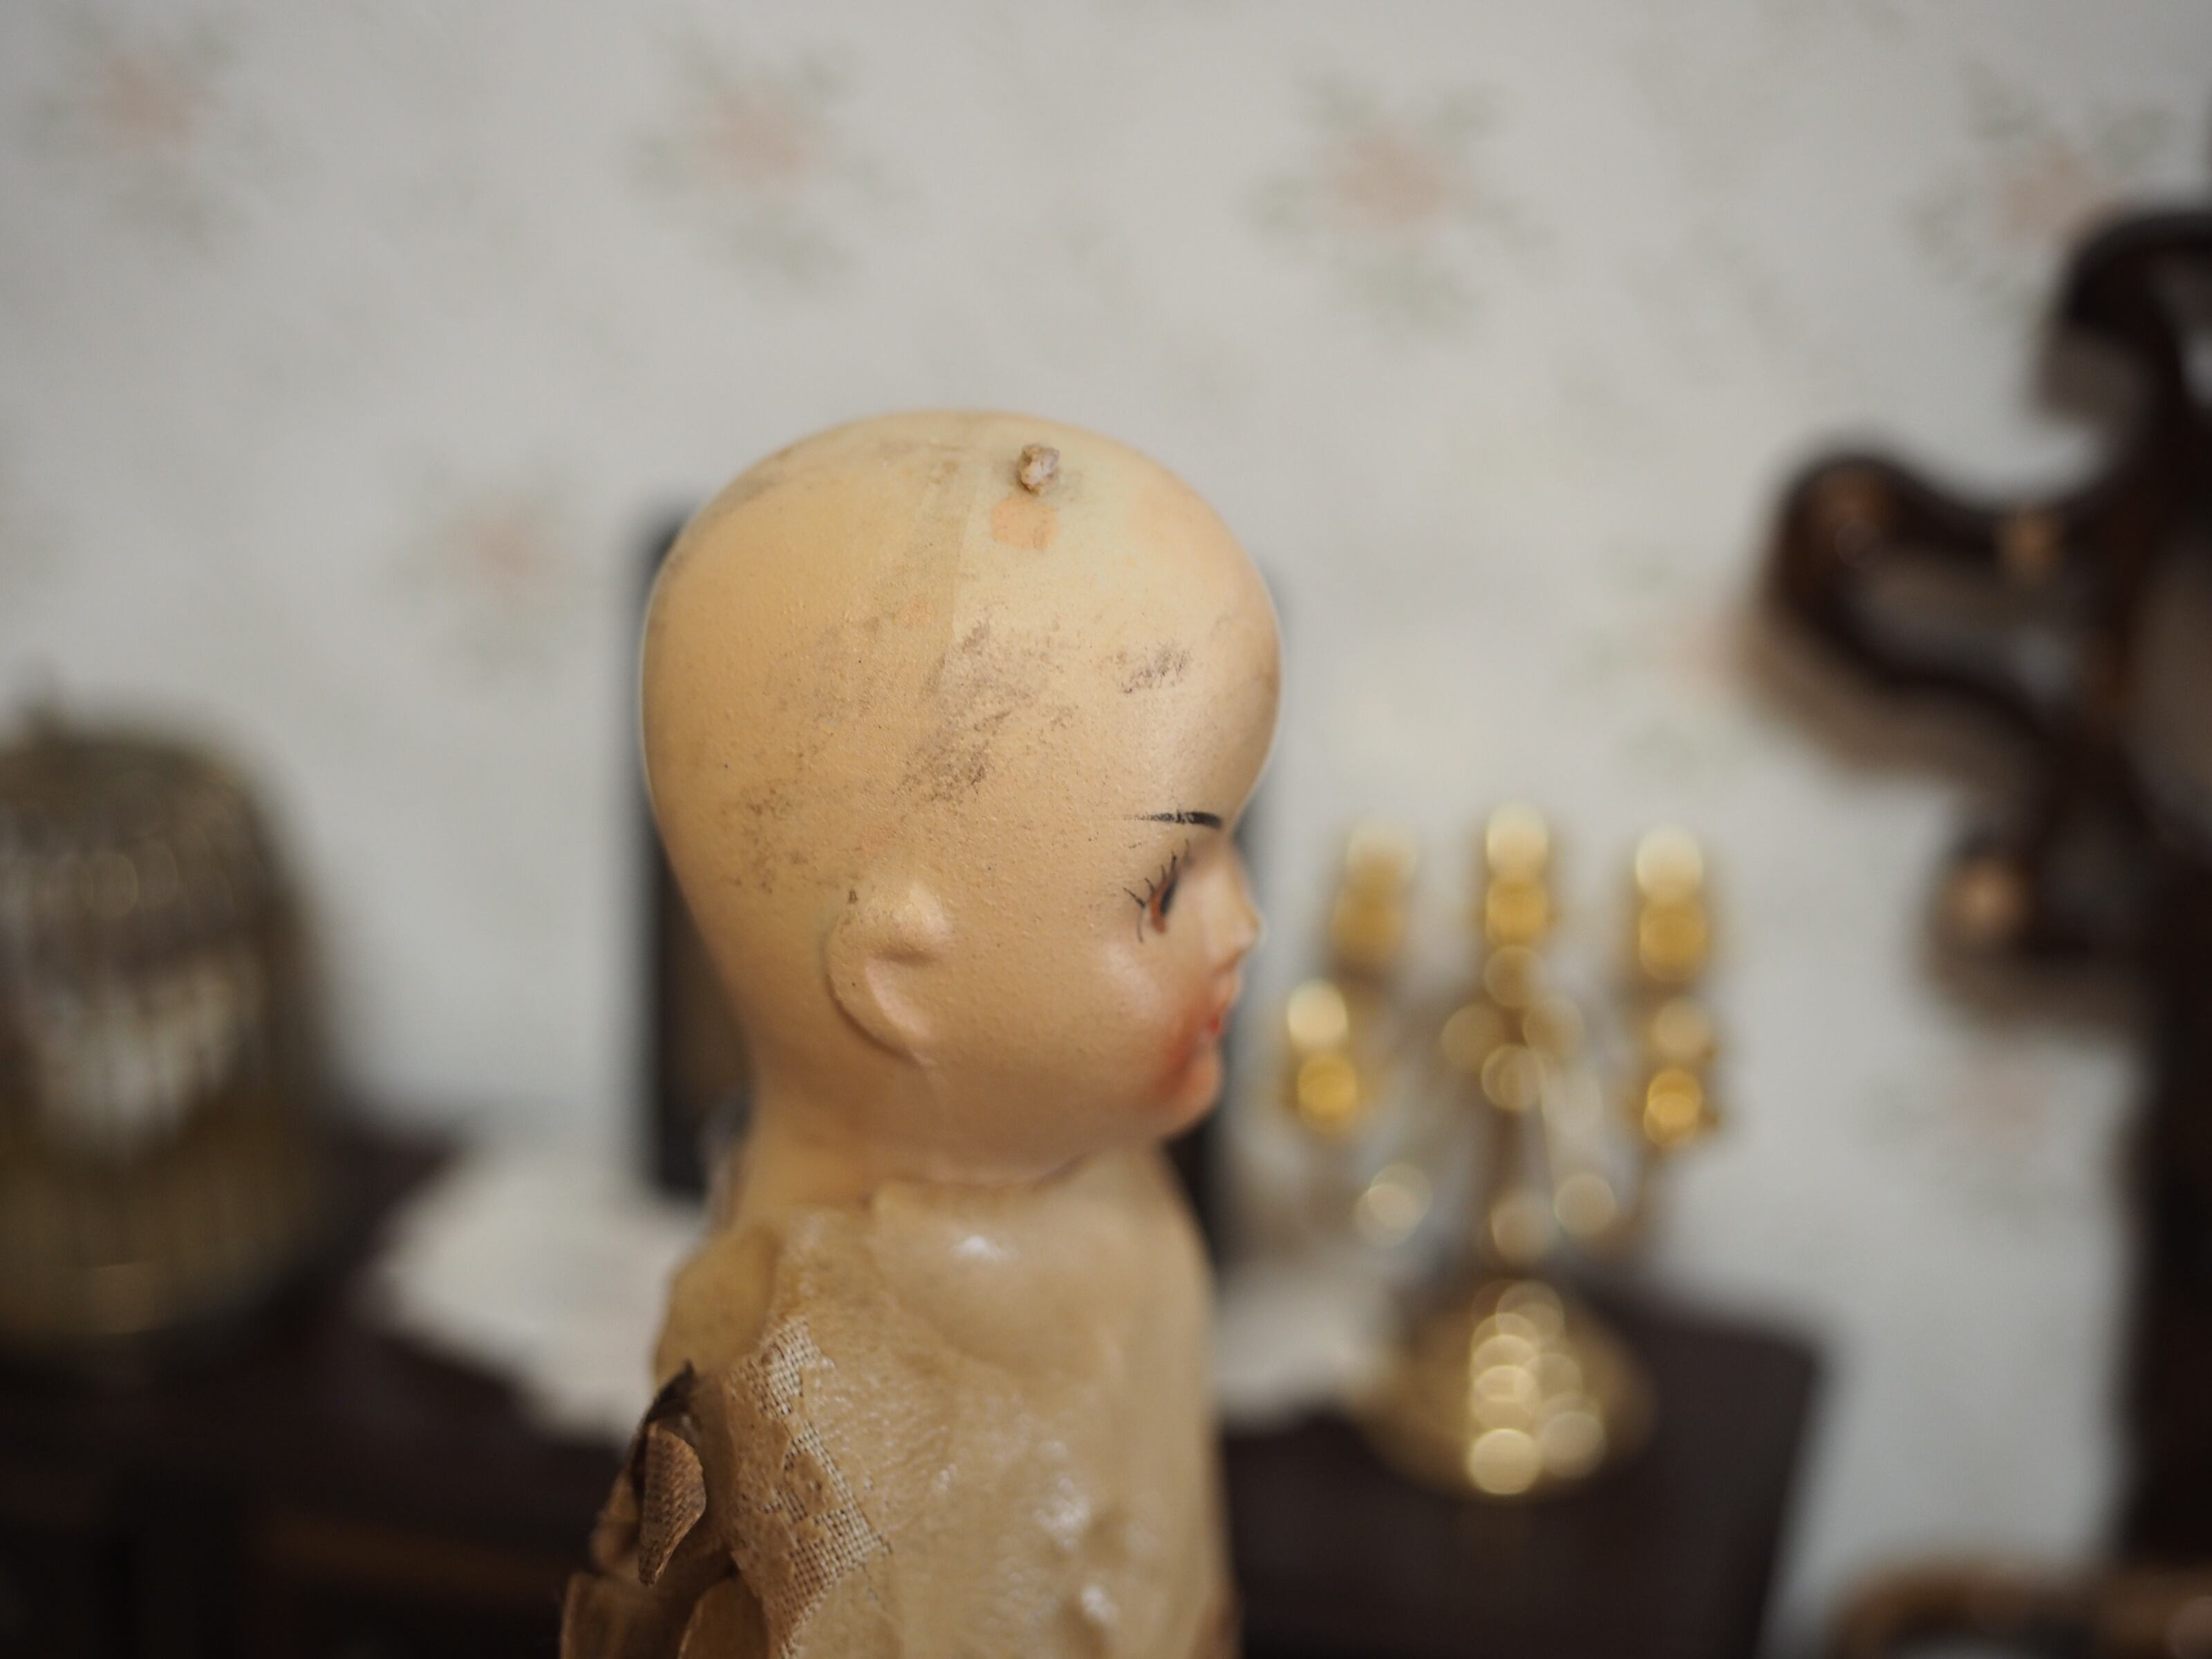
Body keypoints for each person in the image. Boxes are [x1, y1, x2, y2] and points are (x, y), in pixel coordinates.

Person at [562, 411, 1280, 1659]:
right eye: (1170, 887)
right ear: (899, 978)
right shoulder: (813, 1407)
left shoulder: (1116, 1185)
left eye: (1236, 845)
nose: (1248, 927)